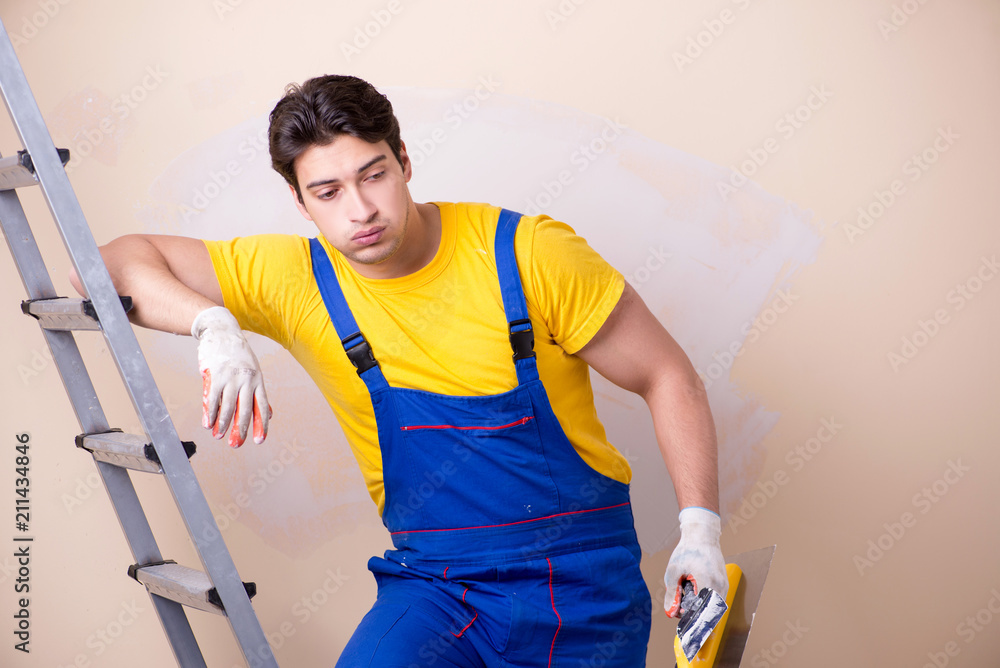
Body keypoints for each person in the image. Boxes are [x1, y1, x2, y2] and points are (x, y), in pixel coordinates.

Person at [72, 74, 726, 666]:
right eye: (328, 192)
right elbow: (99, 266)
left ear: (405, 162)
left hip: (583, 590)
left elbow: (668, 376)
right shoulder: (297, 281)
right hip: (437, 588)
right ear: (300, 202)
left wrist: (700, 533)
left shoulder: (528, 255)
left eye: (374, 175)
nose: (360, 209)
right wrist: (210, 323)